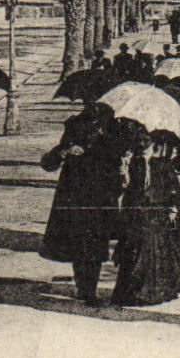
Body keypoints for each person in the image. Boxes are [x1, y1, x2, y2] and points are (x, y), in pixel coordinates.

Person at [40, 102, 123, 305]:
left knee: (95, 243)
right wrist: (66, 151)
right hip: (76, 194)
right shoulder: (74, 128)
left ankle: (88, 288)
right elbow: (49, 162)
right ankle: (85, 288)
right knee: (81, 243)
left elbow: (118, 161)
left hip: (100, 196)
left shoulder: (114, 130)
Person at [112, 129, 180, 306]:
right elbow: (121, 191)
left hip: (156, 216)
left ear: (154, 144)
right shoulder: (131, 164)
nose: (142, 145)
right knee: (134, 250)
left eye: (145, 141)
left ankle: (154, 290)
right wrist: (123, 176)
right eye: (138, 142)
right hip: (136, 216)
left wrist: (176, 213)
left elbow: (175, 193)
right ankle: (133, 291)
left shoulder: (163, 165)